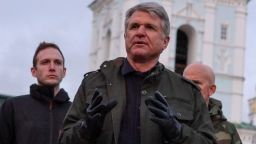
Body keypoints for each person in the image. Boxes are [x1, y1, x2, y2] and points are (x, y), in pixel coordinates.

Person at [59, 2, 216, 144]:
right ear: (126, 36)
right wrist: (85, 129)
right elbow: (64, 140)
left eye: (150, 27)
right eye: (134, 26)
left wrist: (178, 131)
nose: (140, 32)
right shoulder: (93, 83)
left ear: (165, 42)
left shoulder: (187, 91)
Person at [0, 42, 72, 144]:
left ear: (64, 72)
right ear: (34, 71)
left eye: (57, 62)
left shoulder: (75, 112)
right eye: (45, 62)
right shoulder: (13, 107)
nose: (52, 67)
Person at [183, 63, 242, 144]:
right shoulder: (170, 121)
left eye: (196, 83)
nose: (189, 87)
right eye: (185, 82)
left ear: (211, 89)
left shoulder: (228, 130)